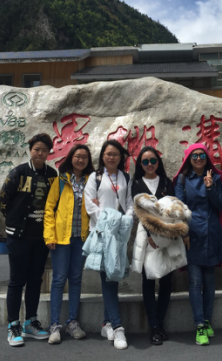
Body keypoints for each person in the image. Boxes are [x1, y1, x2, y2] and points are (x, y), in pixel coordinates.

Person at [0, 133, 57, 347]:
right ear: (30, 150)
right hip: (19, 235)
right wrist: (14, 220)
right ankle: (13, 325)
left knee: (35, 280)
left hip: (40, 236)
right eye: (36, 149)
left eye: (44, 150)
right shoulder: (19, 172)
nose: (40, 153)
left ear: (49, 153)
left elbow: (55, 202)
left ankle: (30, 322)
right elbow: (3, 200)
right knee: (17, 280)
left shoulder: (52, 175)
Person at [174, 144, 222, 346]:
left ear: (207, 158)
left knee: (210, 281)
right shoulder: (182, 180)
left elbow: (221, 205)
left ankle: (207, 321)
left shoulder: (214, 179)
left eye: (202, 155)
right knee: (196, 282)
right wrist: (184, 232)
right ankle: (199, 324)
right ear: (189, 159)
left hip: (212, 233)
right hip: (193, 234)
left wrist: (210, 187)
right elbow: (179, 208)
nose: (198, 158)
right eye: (194, 155)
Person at [84, 140, 134, 350]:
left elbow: (129, 203)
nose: (111, 157)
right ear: (102, 156)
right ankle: (118, 326)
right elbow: (90, 204)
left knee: (112, 276)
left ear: (121, 157)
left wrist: (124, 220)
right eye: (108, 154)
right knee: (109, 278)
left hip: (119, 234)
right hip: (102, 234)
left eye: (115, 154)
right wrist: (107, 222)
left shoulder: (126, 177)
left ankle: (107, 324)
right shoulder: (94, 177)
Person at [44, 144, 94, 344]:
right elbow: (49, 209)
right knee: (58, 280)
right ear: (71, 158)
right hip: (61, 239)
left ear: (88, 161)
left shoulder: (92, 182)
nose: (80, 160)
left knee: (75, 279)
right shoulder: (61, 181)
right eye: (77, 156)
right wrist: (49, 236)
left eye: (84, 157)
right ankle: (54, 325)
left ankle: (72, 322)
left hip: (81, 239)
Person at [131, 146, 176, 346]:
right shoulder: (137, 184)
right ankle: (154, 326)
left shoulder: (167, 182)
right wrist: (151, 234)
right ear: (140, 164)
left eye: (153, 160)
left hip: (166, 236)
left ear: (158, 161)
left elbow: (173, 207)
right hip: (148, 238)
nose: (149, 164)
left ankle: (160, 323)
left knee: (166, 280)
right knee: (148, 280)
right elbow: (139, 211)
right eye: (145, 161)